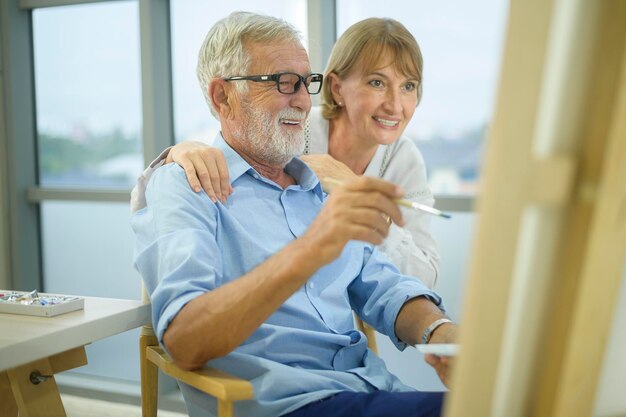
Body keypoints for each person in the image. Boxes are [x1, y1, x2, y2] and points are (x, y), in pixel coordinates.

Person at [132, 11, 456, 417]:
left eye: (306, 82)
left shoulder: (317, 187)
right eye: (283, 82)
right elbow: (184, 339)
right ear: (222, 96)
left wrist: (440, 332)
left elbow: (386, 287)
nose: (303, 99)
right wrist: (313, 249)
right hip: (288, 404)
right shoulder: (187, 186)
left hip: (369, 389)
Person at [131, 17, 440, 289]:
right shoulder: (288, 130)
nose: (395, 104)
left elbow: (420, 280)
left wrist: (365, 203)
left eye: (409, 86)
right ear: (336, 88)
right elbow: (227, 153)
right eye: (377, 82)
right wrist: (180, 152)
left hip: (339, 304)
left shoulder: (404, 159)